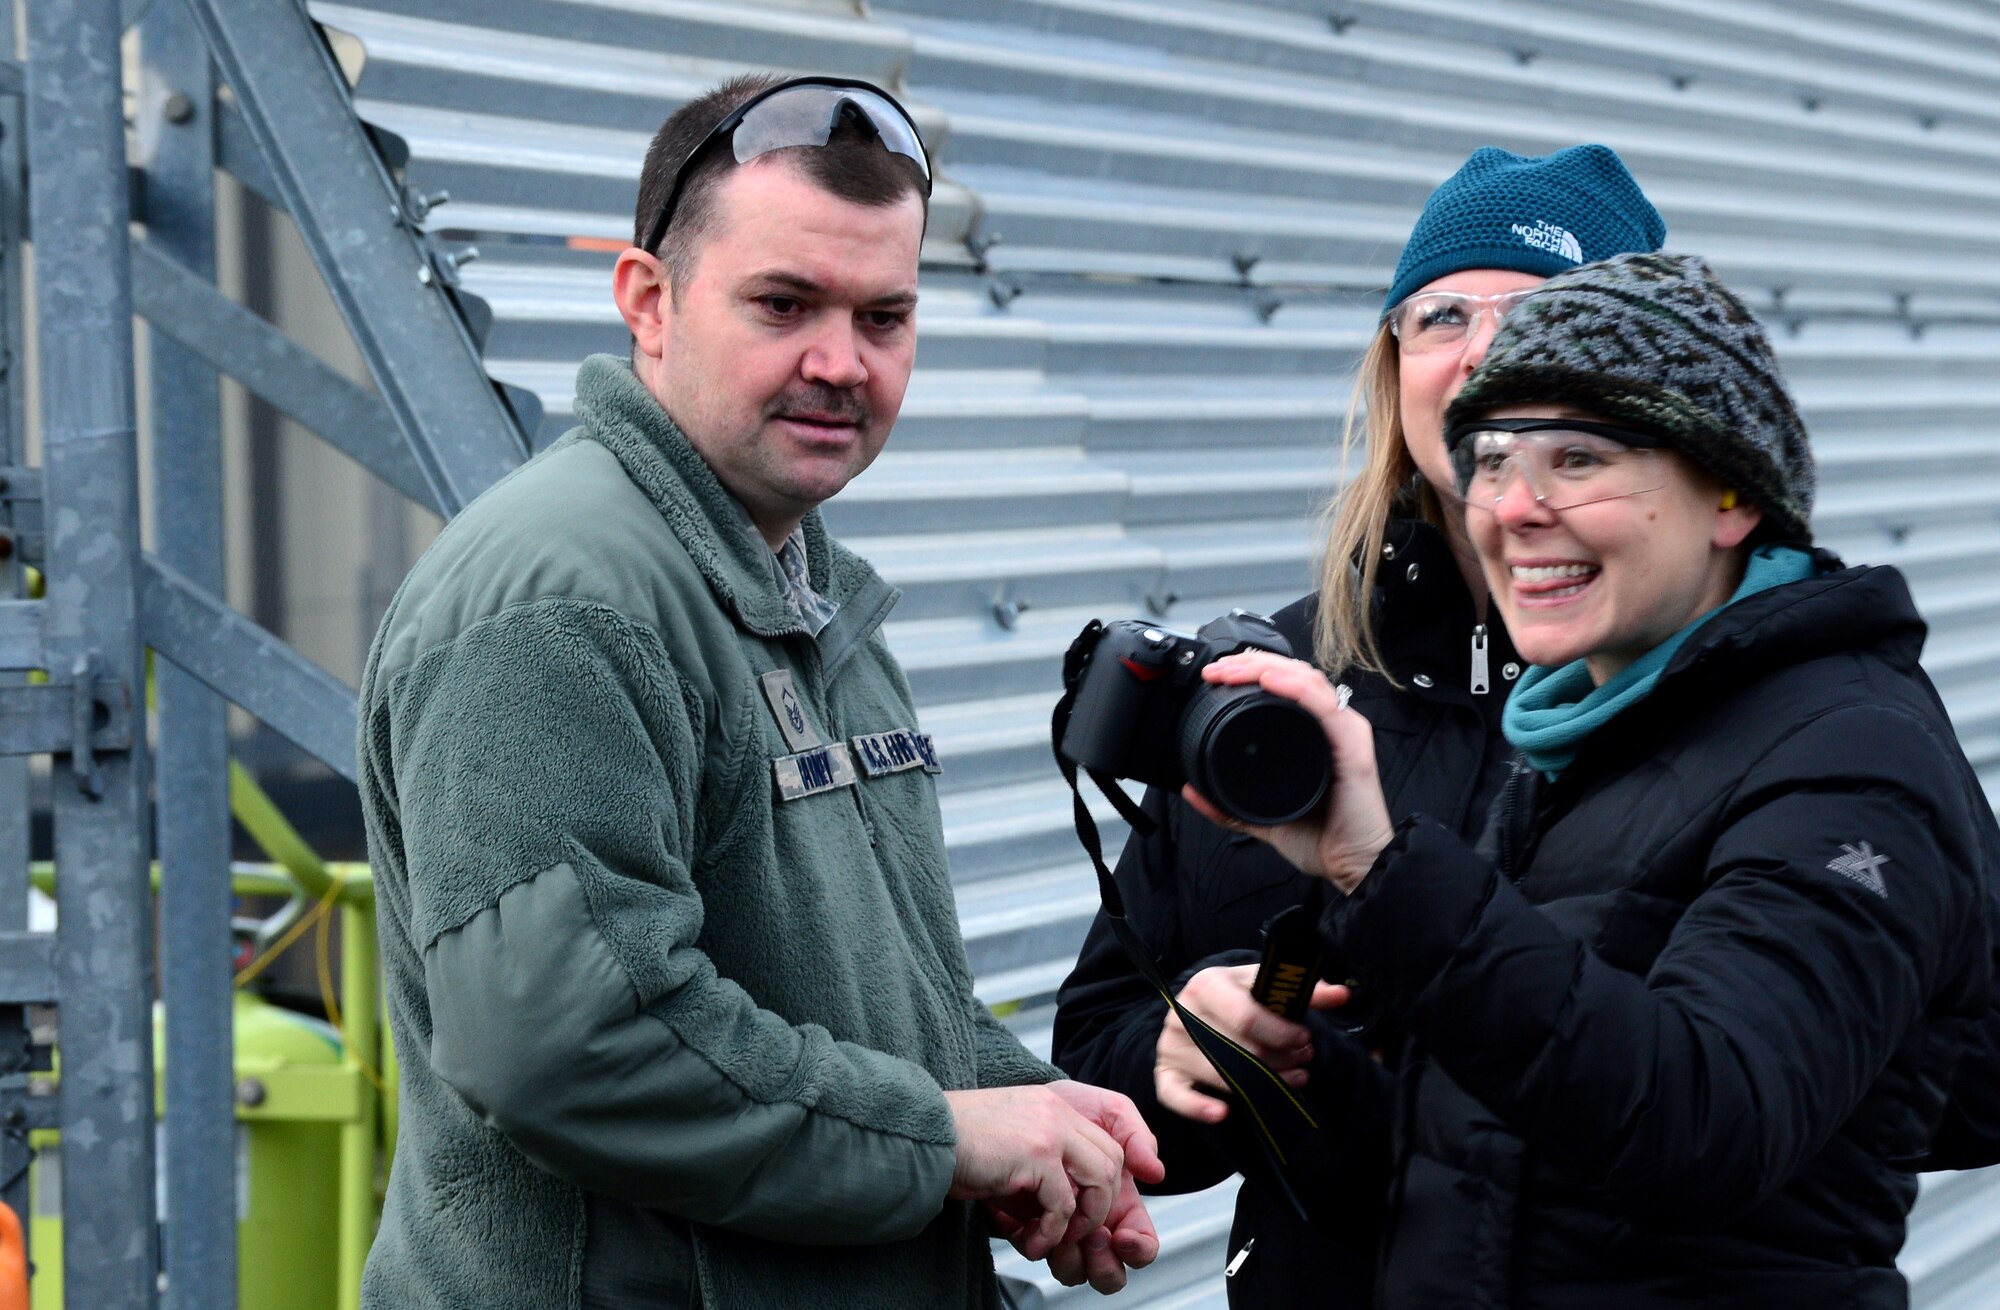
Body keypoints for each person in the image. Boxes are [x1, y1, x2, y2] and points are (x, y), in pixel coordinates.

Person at [356, 73, 1163, 1310]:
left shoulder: (812, 594)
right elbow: (574, 1049)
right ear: (649, 302)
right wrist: (943, 1140)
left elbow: (854, 997)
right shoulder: (561, 601)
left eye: (883, 317)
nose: (838, 361)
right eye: (783, 303)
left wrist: (1024, 1107)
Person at [1191, 251, 1994, 1307]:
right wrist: (1300, 1074)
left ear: (1729, 495)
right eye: (1488, 456)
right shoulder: (1589, 729)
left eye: (1576, 457)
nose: (1511, 507)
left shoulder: (1851, 756)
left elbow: (1705, 1117)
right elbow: (1513, 1163)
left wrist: (1380, 866)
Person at [1050, 144, 1665, 1303]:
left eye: (1541, 315)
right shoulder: (1276, 690)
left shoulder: (1756, 685)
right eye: (1440, 314)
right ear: (1394, 367)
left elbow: (1951, 1069)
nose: (1480, 348)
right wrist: (1186, 1049)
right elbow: (1094, 1049)